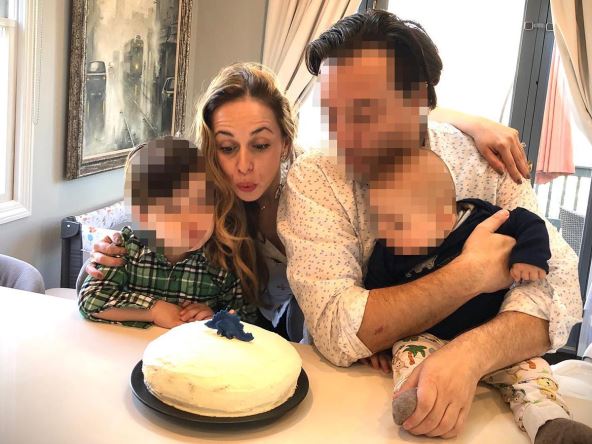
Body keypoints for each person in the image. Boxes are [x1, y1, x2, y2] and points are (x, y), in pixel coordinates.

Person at [277, 9, 582, 439]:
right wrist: (470, 273)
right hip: (347, 403)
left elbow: (558, 290)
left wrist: (469, 355)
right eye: (332, 114)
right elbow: (337, 328)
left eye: (364, 112)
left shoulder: (485, 163)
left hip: (488, 401)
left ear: (418, 99)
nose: (344, 138)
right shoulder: (317, 177)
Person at [83, 62, 533, 341]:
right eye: (227, 147)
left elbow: (392, 117)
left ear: (284, 141)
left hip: (334, 333)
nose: (243, 166)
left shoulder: (319, 184)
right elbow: (142, 224)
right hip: (245, 335)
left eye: (260, 145)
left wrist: (471, 122)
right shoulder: (204, 203)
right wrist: (100, 255)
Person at [363, 148, 592, 443]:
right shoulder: (388, 250)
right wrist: (376, 348)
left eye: (398, 223)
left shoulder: (480, 217)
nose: (387, 234)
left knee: (534, 372)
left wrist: (529, 257)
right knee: (406, 353)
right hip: (428, 338)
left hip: (495, 337)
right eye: (381, 220)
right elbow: (375, 292)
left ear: (443, 213)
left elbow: (529, 222)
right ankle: (416, 400)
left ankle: (549, 421)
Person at [78, 138, 257, 328]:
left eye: (201, 202)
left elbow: (247, 318)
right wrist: (153, 310)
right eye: (173, 210)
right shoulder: (126, 249)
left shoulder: (222, 259)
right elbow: (90, 300)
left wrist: (216, 318)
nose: (193, 220)